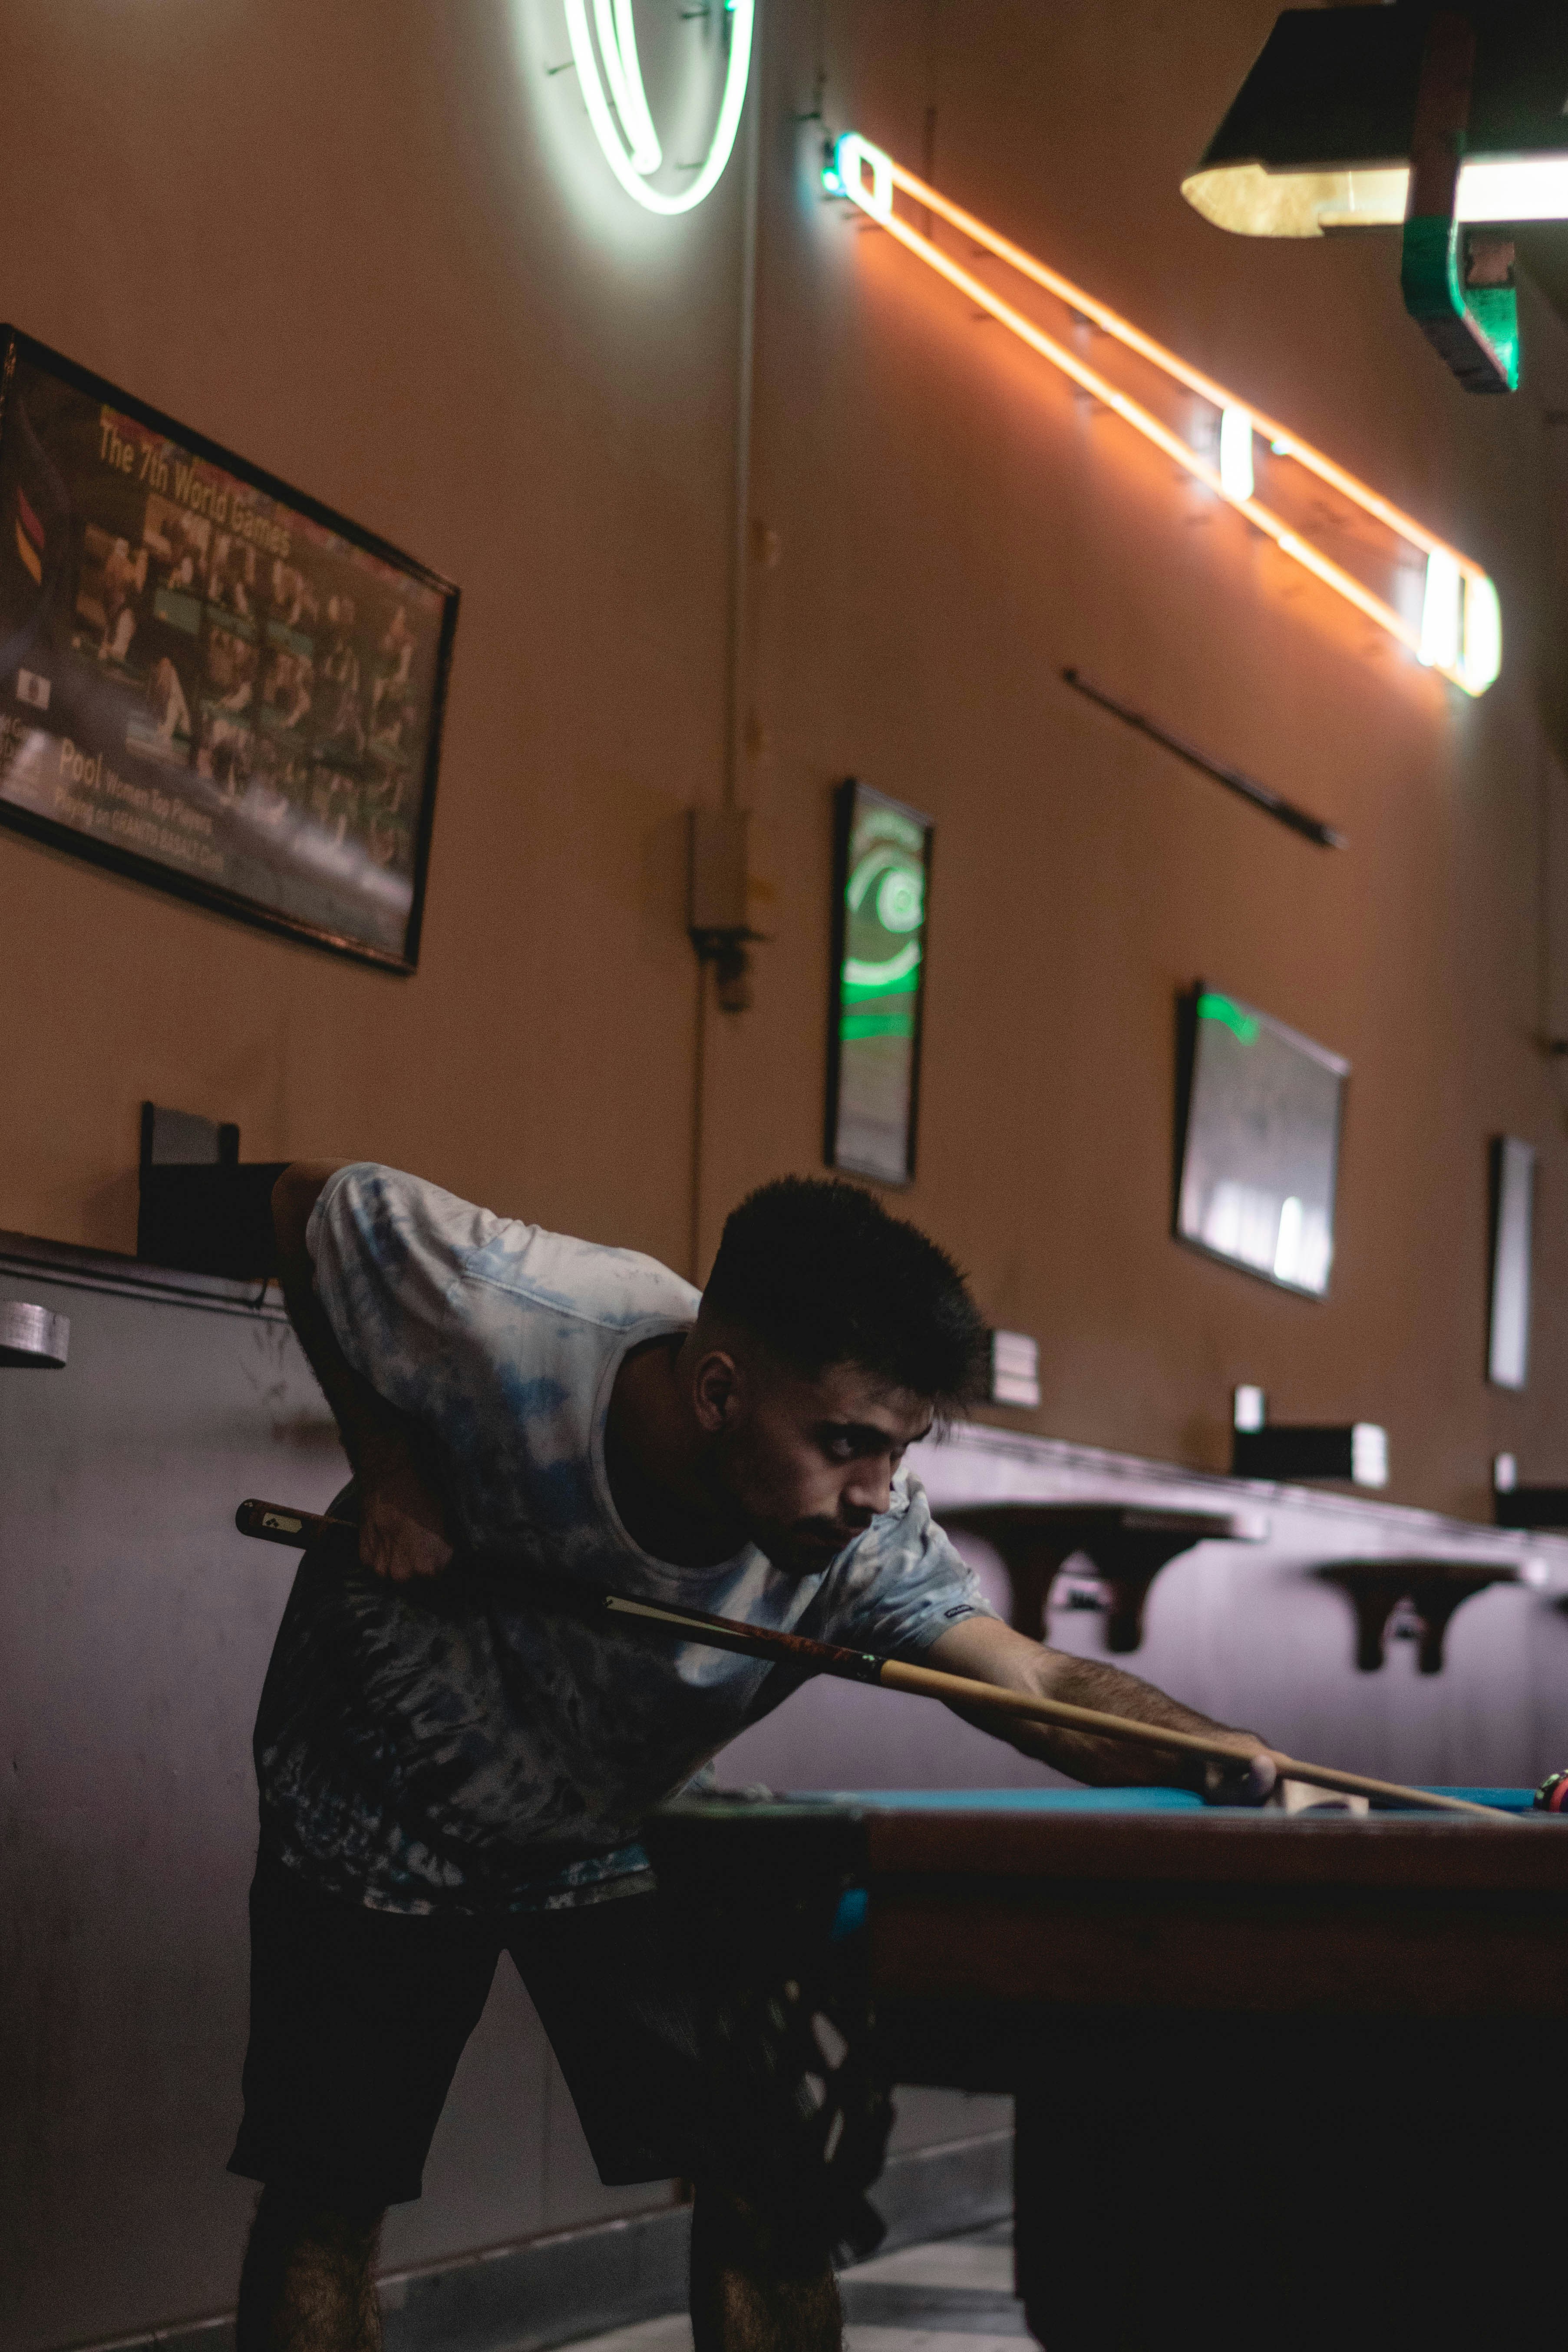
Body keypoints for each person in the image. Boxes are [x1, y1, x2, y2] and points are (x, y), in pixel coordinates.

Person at [233, 1163, 1274, 2352]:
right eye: (844, 1445)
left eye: (897, 1450)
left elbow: (1028, 1681)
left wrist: (1214, 1756)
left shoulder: (863, 1542)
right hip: (372, 1803)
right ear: (719, 1388)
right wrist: (392, 1468)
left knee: (769, 2181)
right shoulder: (511, 1308)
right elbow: (306, 1206)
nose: (873, 1495)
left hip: (614, 1826)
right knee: (329, 2196)